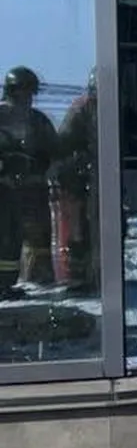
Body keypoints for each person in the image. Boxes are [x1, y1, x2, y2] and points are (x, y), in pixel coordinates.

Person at [0, 67, 60, 293]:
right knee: (6, 238)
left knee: (39, 236)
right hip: (4, 191)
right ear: (12, 92)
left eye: (30, 94)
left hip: (34, 189)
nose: (27, 99)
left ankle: (36, 277)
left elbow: (56, 153)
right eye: (23, 93)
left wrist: (50, 174)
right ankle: (3, 285)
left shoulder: (38, 121)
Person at [53, 69, 98, 293]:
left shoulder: (117, 105)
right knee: (78, 229)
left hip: (105, 177)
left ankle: (99, 272)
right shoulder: (82, 108)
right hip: (81, 180)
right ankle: (78, 276)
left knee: (107, 227)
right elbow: (63, 143)